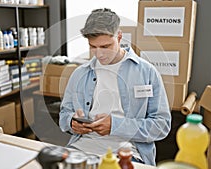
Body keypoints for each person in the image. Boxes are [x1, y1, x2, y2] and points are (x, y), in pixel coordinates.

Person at [59, 8, 171, 166]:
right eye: (93, 47)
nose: (99, 54)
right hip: (82, 148)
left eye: (105, 46)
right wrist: (72, 122)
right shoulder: (79, 74)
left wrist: (116, 126)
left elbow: (161, 126)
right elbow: (64, 115)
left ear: (119, 36)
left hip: (127, 152)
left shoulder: (147, 72)